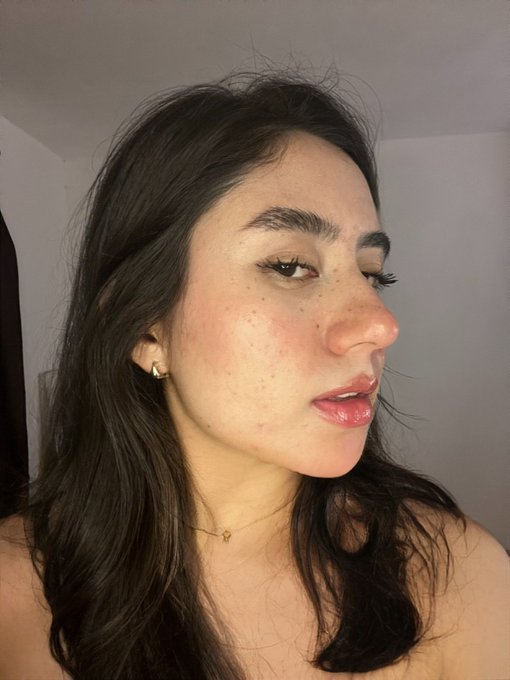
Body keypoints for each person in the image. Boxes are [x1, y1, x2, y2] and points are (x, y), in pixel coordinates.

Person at [0, 73, 508, 680]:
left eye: (372, 273)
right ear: (145, 331)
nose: (380, 324)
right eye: (290, 266)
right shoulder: (13, 593)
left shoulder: (459, 578)